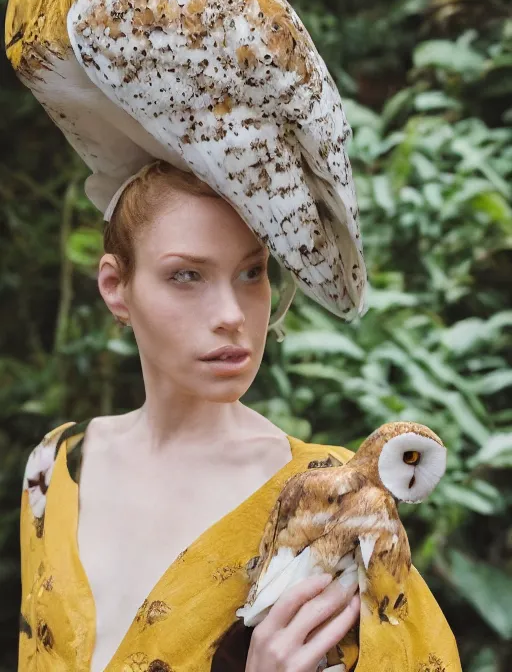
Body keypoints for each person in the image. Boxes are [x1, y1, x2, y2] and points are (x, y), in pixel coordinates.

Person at [19, 162, 460, 672]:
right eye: (187, 275)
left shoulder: (328, 500)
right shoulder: (54, 466)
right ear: (117, 286)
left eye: (252, 272)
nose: (231, 313)